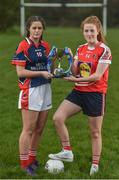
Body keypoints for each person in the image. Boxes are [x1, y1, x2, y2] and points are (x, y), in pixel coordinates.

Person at [48, 16, 112, 176]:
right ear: (83, 32)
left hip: (95, 94)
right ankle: (67, 151)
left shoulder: (104, 50)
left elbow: (97, 76)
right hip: (78, 92)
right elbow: (75, 71)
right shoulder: (81, 48)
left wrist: (73, 79)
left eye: (92, 30)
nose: (89, 33)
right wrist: (69, 59)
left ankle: (95, 164)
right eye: (86, 30)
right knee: (57, 118)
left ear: (98, 31)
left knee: (95, 132)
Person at [11, 16, 53, 176]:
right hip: (31, 90)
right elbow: (20, 72)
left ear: (43, 30)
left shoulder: (45, 46)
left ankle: (32, 159)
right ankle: (24, 164)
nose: (36, 31)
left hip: (46, 89)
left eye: (39, 28)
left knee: (40, 128)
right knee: (28, 129)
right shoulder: (23, 46)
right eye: (34, 28)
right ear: (28, 28)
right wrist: (41, 72)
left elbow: (50, 66)